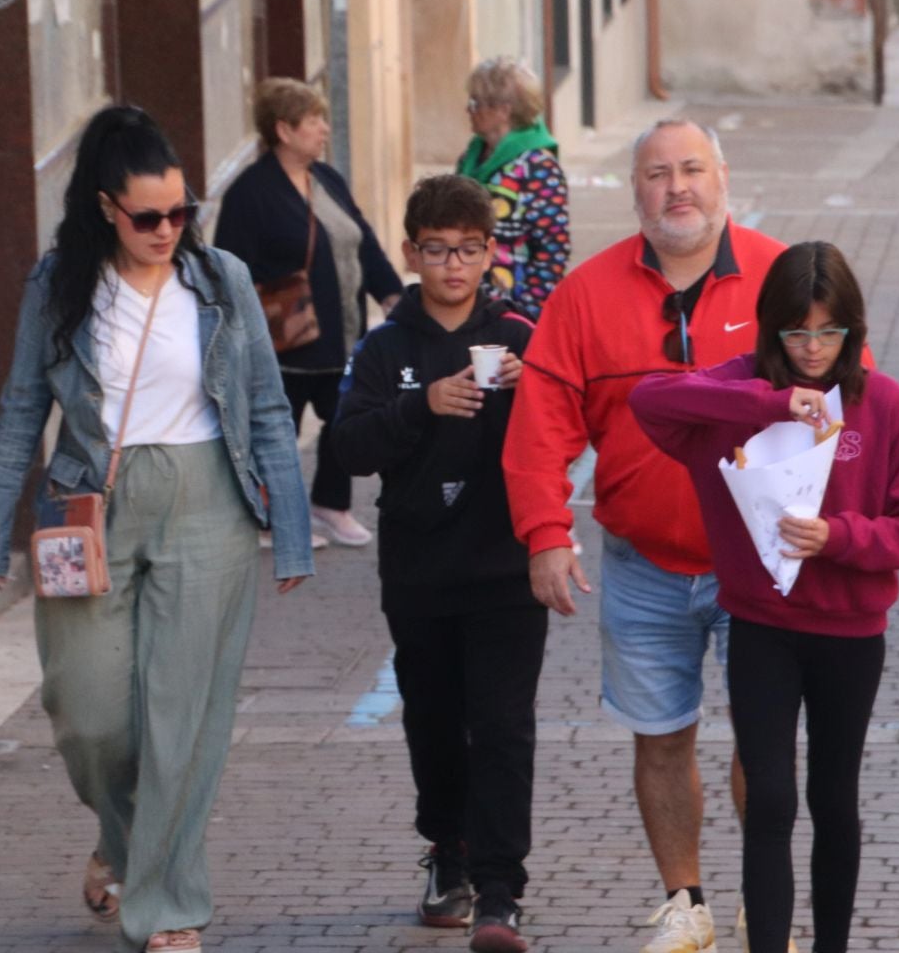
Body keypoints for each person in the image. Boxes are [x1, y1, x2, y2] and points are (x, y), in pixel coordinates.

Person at [0, 105, 315, 953]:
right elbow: (21, 413)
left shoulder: (221, 279)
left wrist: (293, 530)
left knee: (181, 719)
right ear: (104, 209)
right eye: (148, 216)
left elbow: (267, 409)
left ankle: (165, 906)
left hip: (209, 503)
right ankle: (123, 846)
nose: (169, 230)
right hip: (90, 505)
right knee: (88, 712)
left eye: (180, 212)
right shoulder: (58, 286)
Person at [504, 118, 787, 953]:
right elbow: (542, 420)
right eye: (658, 174)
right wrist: (545, 533)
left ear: (724, 176)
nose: (678, 188)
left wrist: (837, 523)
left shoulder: (781, 277)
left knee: (764, 741)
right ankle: (685, 903)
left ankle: (761, 904)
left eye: (692, 169)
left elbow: (851, 396)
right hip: (642, 566)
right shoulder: (586, 294)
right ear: (635, 191)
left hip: (760, 567)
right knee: (661, 738)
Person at [627, 242, 899, 953]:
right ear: (772, 331)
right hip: (762, 626)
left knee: (834, 801)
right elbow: (648, 398)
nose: (812, 349)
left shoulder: (883, 402)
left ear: (852, 332)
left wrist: (837, 536)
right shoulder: (743, 392)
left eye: (829, 333)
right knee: (769, 799)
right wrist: (766, 400)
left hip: (851, 634)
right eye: (796, 333)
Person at [326, 175, 540, 953]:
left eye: (471, 250)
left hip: (508, 565)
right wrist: (423, 405)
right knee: (435, 721)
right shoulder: (386, 346)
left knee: (505, 726)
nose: (455, 265)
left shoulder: (520, 335)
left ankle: (501, 889)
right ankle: (446, 850)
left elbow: (567, 434)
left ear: (490, 253)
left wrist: (534, 391)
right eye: (439, 250)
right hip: (419, 567)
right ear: (413, 252)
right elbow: (349, 446)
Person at [215, 78, 403, 549]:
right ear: (284, 129)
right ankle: (266, 518)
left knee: (345, 419)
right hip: (283, 340)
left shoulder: (326, 180)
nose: (324, 128)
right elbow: (228, 266)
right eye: (313, 120)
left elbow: (363, 240)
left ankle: (330, 506)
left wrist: (392, 295)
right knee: (277, 432)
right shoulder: (250, 192)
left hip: (340, 333)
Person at [456, 57, 571, 321]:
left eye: (475, 103)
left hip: (512, 308)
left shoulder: (537, 166)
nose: (468, 110)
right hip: (466, 304)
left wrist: (526, 313)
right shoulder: (471, 157)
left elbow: (552, 250)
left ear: (503, 110)